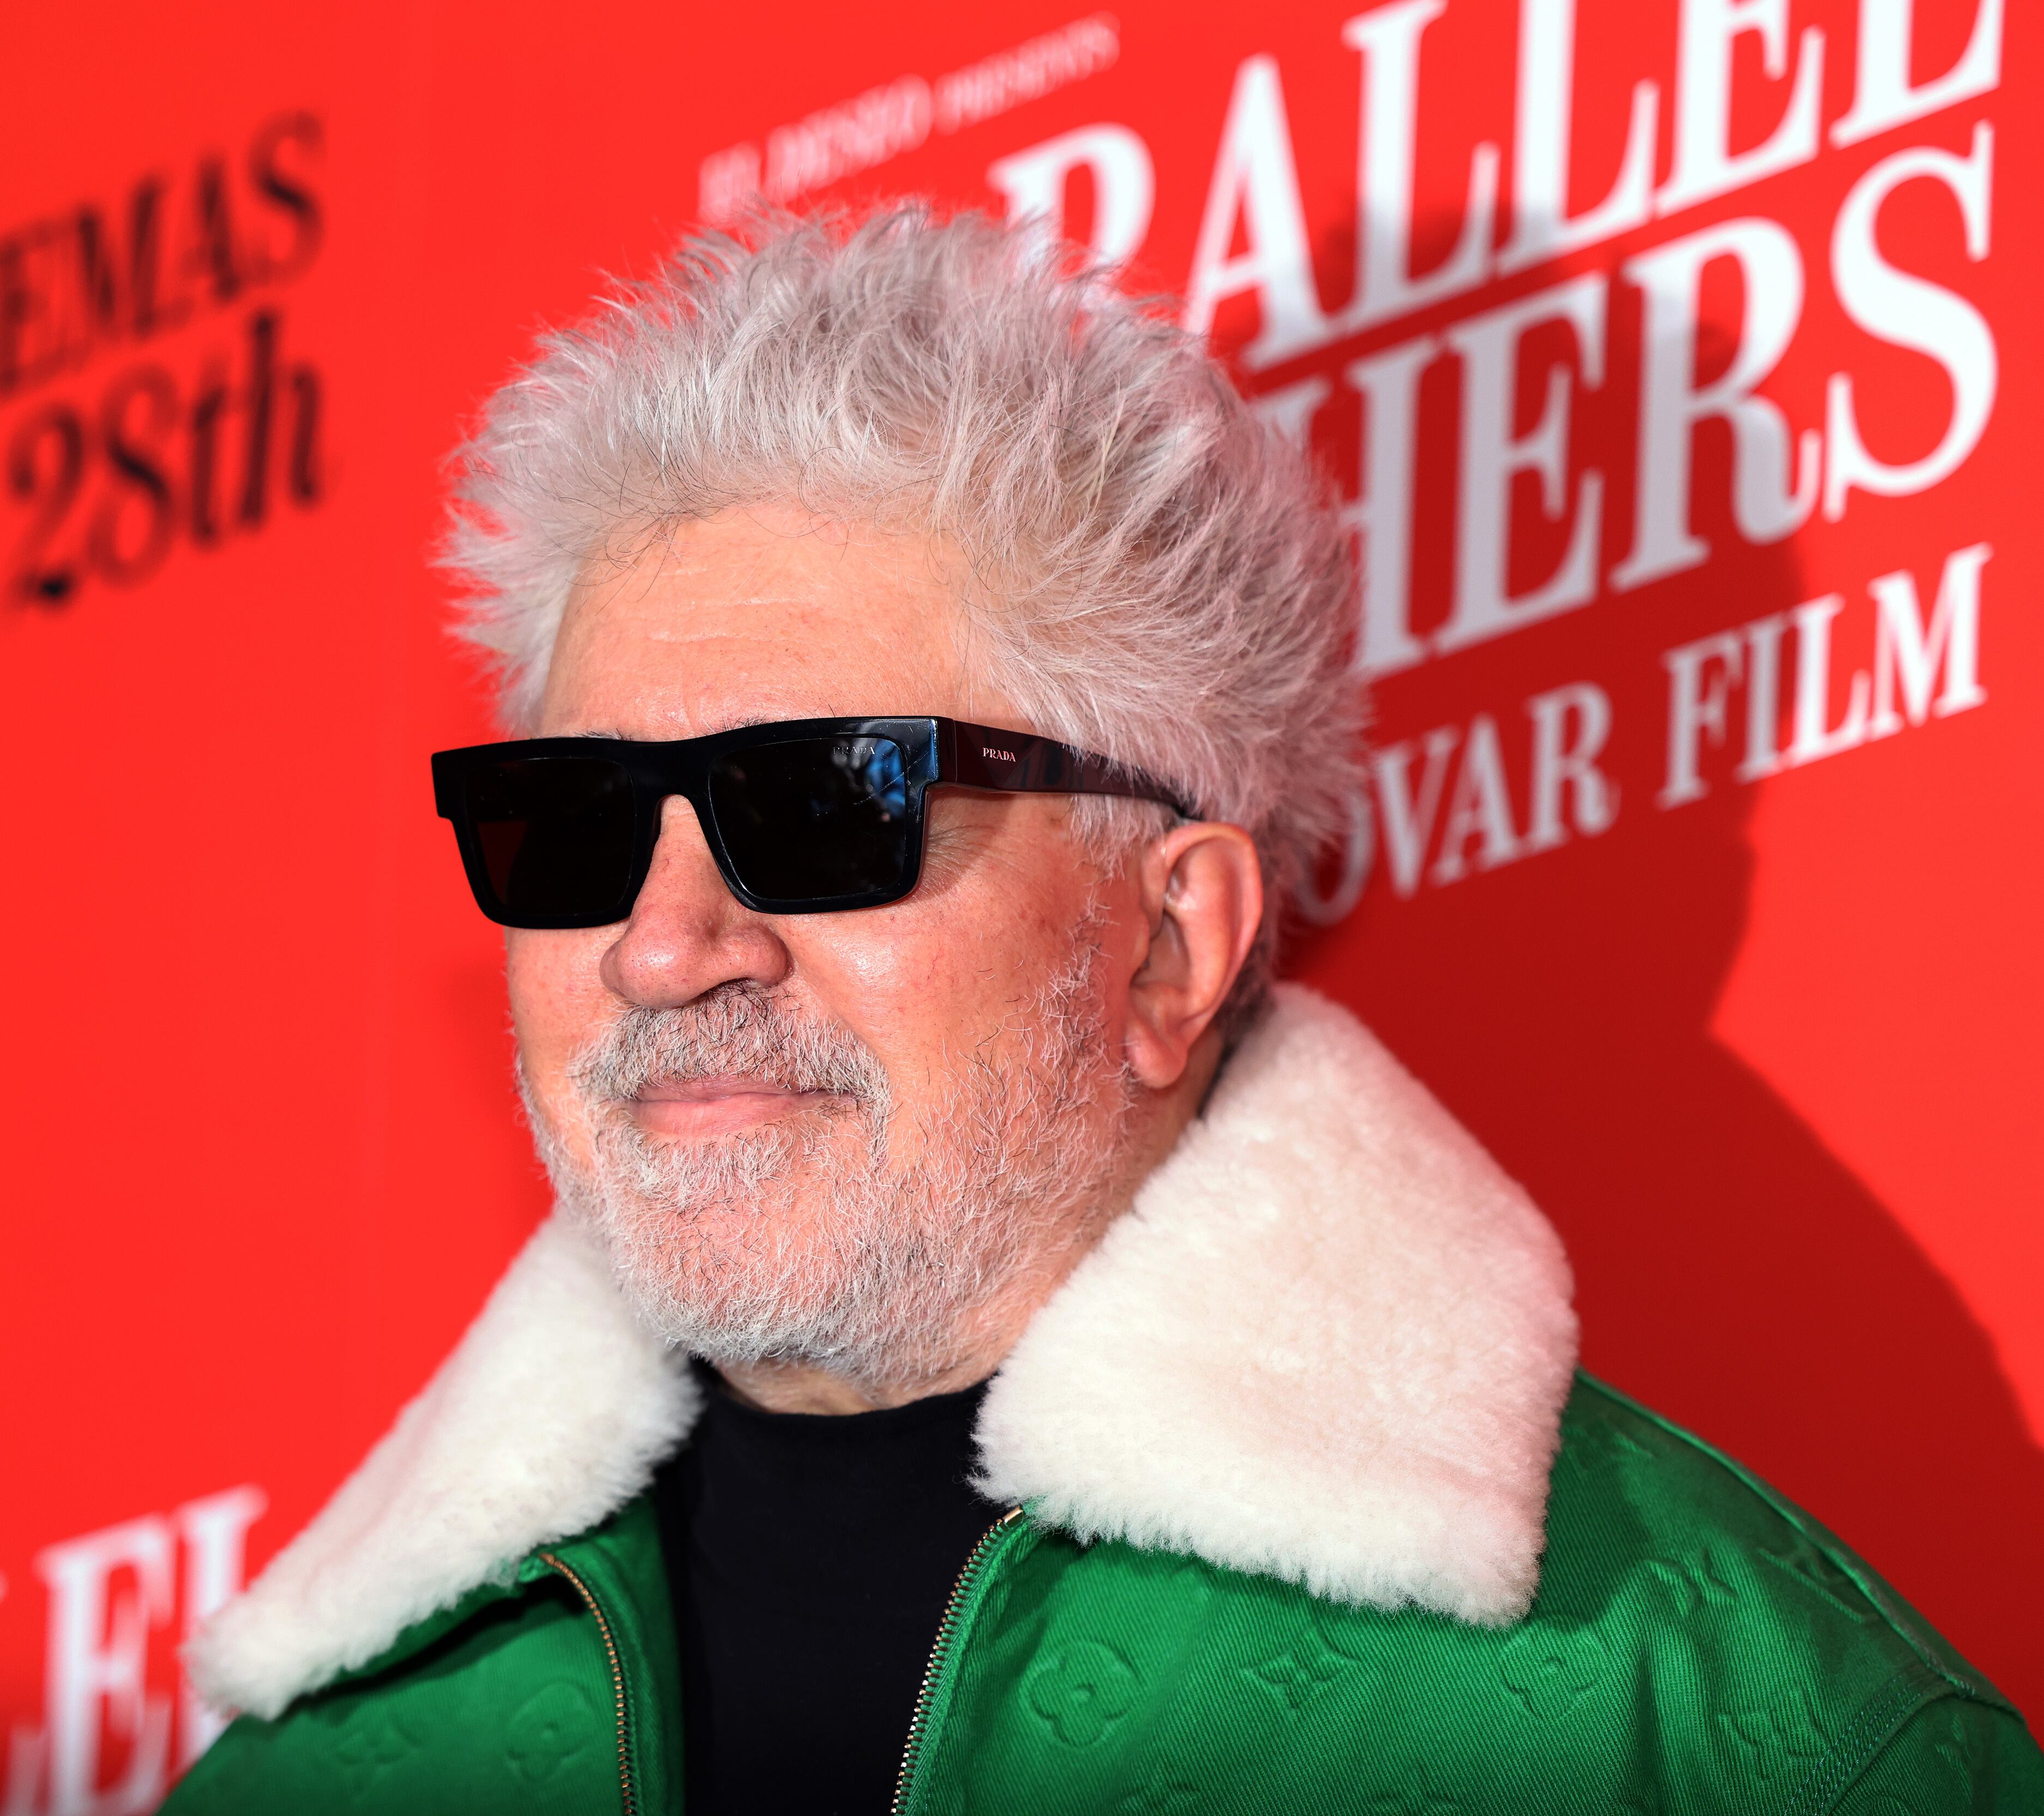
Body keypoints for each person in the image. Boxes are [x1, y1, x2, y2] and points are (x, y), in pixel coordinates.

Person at [157, 207, 2040, 1813]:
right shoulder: (321, 1764)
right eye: (570, 825)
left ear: (1168, 944)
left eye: (825, 806)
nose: (663, 944)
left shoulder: (1706, 1737)